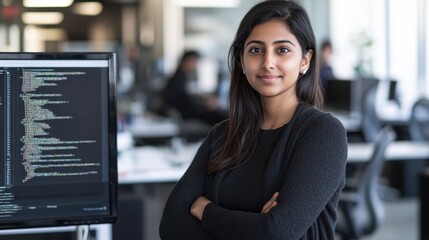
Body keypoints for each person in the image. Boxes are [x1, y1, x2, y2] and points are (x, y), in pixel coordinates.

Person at [159, 1, 347, 239]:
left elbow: (275, 232)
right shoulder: (222, 135)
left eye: (283, 50)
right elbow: (171, 226)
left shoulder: (322, 133)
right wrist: (254, 225)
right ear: (241, 60)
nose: (267, 62)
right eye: (256, 50)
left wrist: (205, 210)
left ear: (305, 60)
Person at [162, 50, 227, 125]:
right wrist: (204, 104)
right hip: (187, 113)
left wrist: (202, 101)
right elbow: (181, 101)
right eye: (194, 62)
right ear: (187, 61)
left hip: (189, 110)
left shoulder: (180, 77)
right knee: (224, 117)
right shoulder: (177, 79)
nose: (195, 66)